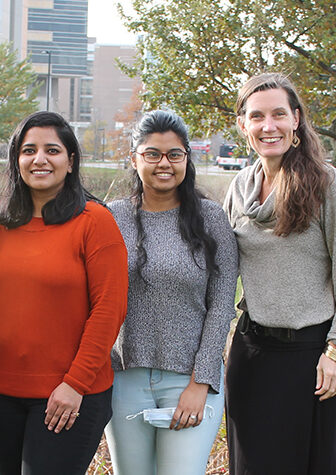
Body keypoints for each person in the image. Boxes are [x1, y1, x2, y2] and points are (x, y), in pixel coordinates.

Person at [0, 111, 128, 474]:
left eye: (52, 150)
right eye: (29, 150)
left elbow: (109, 308)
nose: (39, 159)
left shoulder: (95, 222)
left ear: (70, 162)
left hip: (69, 395)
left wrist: (75, 384)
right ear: (16, 161)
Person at [224, 72, 336, 474]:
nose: (268, 126)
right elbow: (217, 268)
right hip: (250, 356)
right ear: (243, 125)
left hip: (309, 359)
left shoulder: (326, 183)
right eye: (257, 117)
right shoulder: (238, 188)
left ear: (296, 120)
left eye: (278, 115)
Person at [104, 110, 238, 474]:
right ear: (134, 158)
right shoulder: (111, 218)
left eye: (174, 154)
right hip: (123, 379)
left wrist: (201, 382)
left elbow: (223, 304)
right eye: (152, 154)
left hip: (189, 382)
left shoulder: (211, 220)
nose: (164, 163)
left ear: (186, 159)